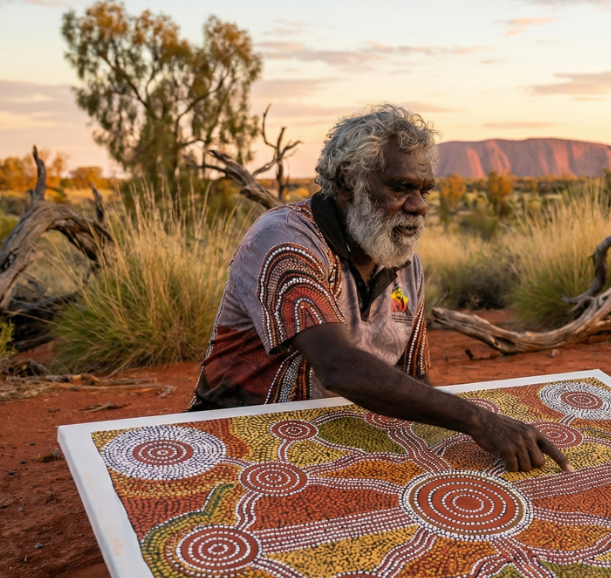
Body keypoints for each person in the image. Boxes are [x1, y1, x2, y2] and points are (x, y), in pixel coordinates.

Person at [189, 104, 569, 474]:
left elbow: (414, 379)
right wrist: (480, 422)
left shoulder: (404, 262)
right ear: (347, 182)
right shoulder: (284, 240)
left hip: (336, 443)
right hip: (237, 441)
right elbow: (338, 367)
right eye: (401, 187)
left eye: (425, 190)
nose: (418, 206)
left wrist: (456, 445)